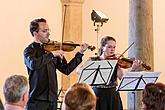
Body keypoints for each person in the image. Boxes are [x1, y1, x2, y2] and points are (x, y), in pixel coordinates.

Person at [24, 18, 89, 110]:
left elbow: (67, 69)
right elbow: (33, 64)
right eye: (44, 31)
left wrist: (80, 53)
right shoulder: (29, 50)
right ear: (35, 33)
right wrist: (52, 54)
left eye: (48, 30)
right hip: (37, 101)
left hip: (52, 100)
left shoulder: (53, 48)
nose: (48, 33)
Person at [91, 36, 141, 110]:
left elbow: (123, 78)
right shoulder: (94, 60)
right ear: (102, 47)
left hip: (112, 95)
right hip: (98, 94)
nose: (112, 50)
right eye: (109, 47)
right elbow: (80, 70)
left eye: (114, 47)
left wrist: (132, 69)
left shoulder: (115, 61)